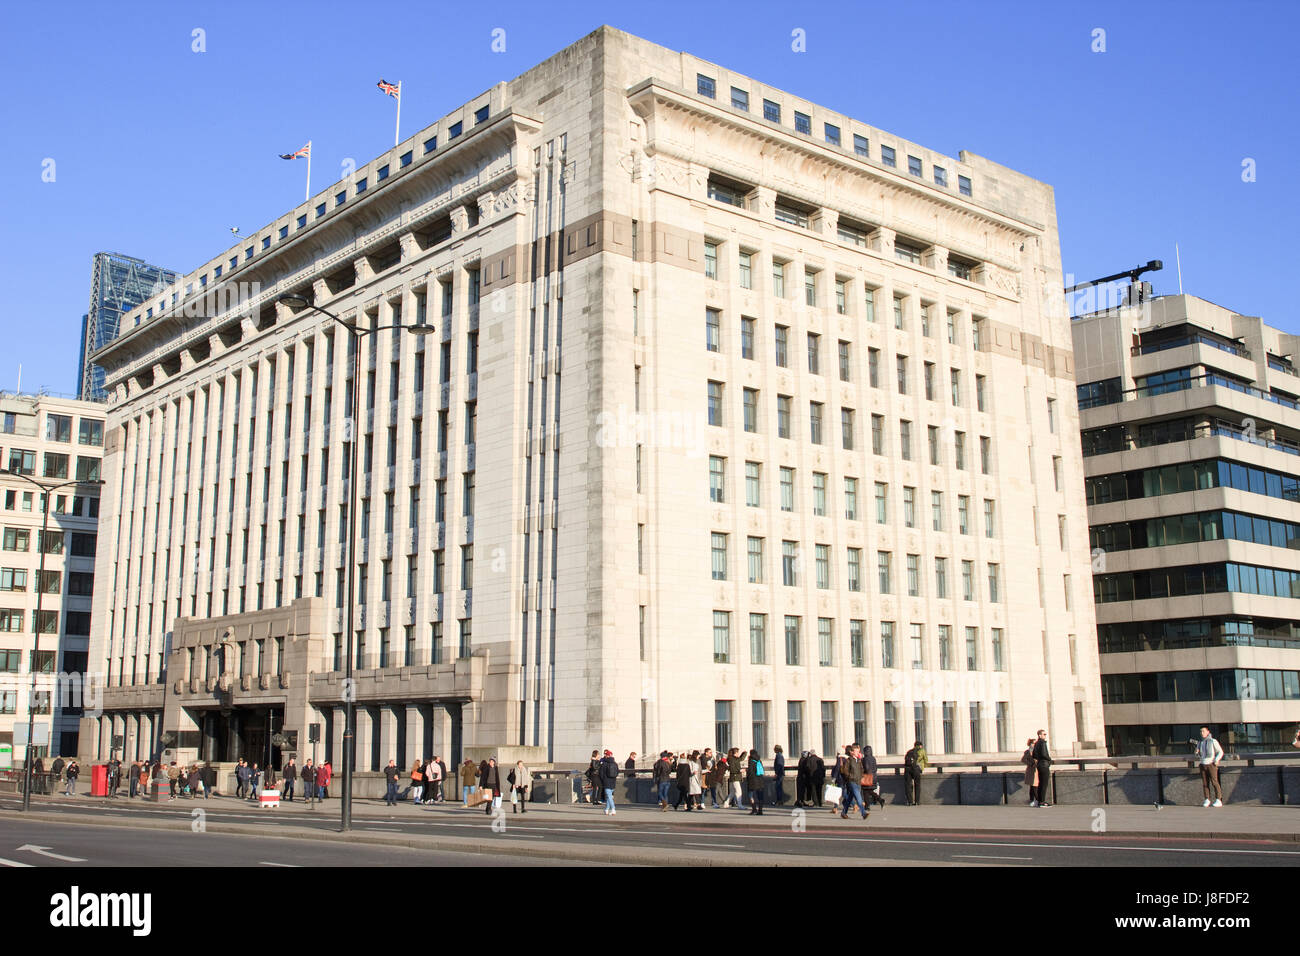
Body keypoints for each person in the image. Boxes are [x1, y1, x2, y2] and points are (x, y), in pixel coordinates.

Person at [1197, 726, 1225, 808]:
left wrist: (1216, 760)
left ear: (1208, 732)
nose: (1202, 733)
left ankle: (1218, 799)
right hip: (1203, 764)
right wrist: (1197, 752)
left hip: (1211, 764)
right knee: (1205, 783)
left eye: (1203, 731)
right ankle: (1207, 799)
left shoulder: (1213, 741)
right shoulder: (1200, 743)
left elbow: (1220, 752)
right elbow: (1199, 755)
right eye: (1201, 731)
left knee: (1214, 782)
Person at [841, 745, 868, 820]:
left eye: (858, 751)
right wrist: (850, 777)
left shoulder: (859, 760)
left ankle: (844, 813)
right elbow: (845, 771)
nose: (858, 753)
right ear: (851, 752)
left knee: (850, 798)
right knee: (859, 798)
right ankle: (863, 813)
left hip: (858, 781)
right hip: (852, 782)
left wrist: (861, 776)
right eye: (856, 751)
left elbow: (862, 770)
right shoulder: (849, 760)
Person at [1032, 730, 1053, 808]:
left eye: (1045, 734)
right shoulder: (1043, 743)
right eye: (1044, 734)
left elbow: (1034, 755)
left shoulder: (1036, 743)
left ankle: (1039, 801)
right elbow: (1044, 754)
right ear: (1039, 735)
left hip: (1039, 765)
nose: (1045, 736)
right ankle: (1042, 802)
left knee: (1041, 784)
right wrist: (1049, 759)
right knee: (1044, 784)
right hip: (1044, 765)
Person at [903, 741, 927, 806]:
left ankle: (910, 801)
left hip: (907, 769)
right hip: (915, 770)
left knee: (908, 785)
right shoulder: (921, 751)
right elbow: (926, 760)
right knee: (917, 785)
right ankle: (917, 801)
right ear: (919, 746)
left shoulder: (909, 752)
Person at [598, 749, 620, 815]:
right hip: (613, 782)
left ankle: (613, 809)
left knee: (609, 796)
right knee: (609, 796)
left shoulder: (604, 764)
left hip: (606, 782)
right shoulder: (615, 763)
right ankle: (606, 809)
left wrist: (603, 780)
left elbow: (601, 774)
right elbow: (617, 772)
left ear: (606, 756)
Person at [745, 749, 766, 815]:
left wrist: (747, 776)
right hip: (760, 780)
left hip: (753, 781)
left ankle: (754, 809)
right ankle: (760, 810)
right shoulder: (759, 760)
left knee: (750, 795)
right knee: (760, 796)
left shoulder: (751, 761)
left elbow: (750, 772)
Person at [1022, 738, 1039, 805]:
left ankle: (1032, 800)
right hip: (1031, 770)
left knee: (1033, 785)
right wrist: (1031, 764)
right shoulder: (1028, 751)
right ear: (1030, 744)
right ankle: (1036, 800)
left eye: (1035, 743)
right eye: (1033, 743)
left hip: (1036, 770)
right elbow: (1023, 760)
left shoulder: (1037, 751)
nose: (1034, 745)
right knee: (1034, 785)